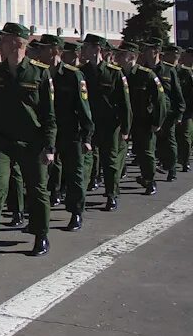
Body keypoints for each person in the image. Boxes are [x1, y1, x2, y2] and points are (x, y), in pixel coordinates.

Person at [0, 22, 57, 262]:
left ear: (18, 43)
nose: (0, 44)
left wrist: (49, 146)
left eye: (5, 39)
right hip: (1, 141)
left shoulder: (39, 73)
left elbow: (49, 115)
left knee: (37, 189)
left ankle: (41, 234)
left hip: (32, 142)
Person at [33, 35, 93, 231]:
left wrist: (87, 136)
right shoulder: (39, 73)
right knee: (42, 174)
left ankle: (76, 213)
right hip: (46, 131)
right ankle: (40, 216)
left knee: (74, 173)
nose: (39, 52)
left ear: (54, 51)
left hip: (69, 131)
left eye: (43, 49)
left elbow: (83, 107)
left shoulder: (73, 75)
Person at [80, 34, 131, 211]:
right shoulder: (81, 72)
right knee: (86, 161)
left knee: (109, 162)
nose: (83, 50)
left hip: (110, 125)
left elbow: (125, 104)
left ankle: (111, 194)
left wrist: (125, 128)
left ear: (97, 49)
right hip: (89, 125)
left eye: (87, 47)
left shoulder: (115, 73)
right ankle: (81, 197)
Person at [121, 40, 170, 195]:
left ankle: (149, 180)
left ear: (131, 56)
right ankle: (113, 185)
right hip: (124, 121)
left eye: (122, 54)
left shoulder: (147, 75)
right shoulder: (118, 74)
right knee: (119, 152)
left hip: (143, 120)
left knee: (146, 152)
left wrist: (157, 122)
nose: (117, 57)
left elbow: (160, 100)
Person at [143, 39, 185, 183]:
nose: (145, 53)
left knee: (169, 141)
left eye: (148, 50)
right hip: (147, 113)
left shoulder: (168, 70)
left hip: (166, 113)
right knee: (149, 144)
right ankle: (150, 173)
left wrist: (179, 113)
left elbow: (177, 94)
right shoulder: (143, 70)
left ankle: (171, 168)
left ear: (155, 51)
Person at [176, 46, 193, 174]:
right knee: (180, 136)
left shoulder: (188, 73)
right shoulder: (179, 72)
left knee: (186, 136)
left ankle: (184, 160)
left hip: (189, 110)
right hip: (180, 109)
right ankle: (181, 160)